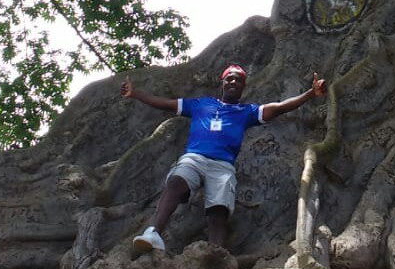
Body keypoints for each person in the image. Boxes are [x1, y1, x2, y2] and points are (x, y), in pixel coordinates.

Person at [121, 64, 326, 253]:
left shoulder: (246, 112)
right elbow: (166, 104)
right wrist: (136, 93)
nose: (233, 83)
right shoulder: (201, 104)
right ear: (223, 82)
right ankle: (153, 233)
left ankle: (214, 255)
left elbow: (279, 107)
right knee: (175, 181)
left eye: (238, 80)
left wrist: (310, 93)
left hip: (223, 165)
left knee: (218, 211)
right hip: (194, 157)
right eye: (230, 79)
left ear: (243, 86)